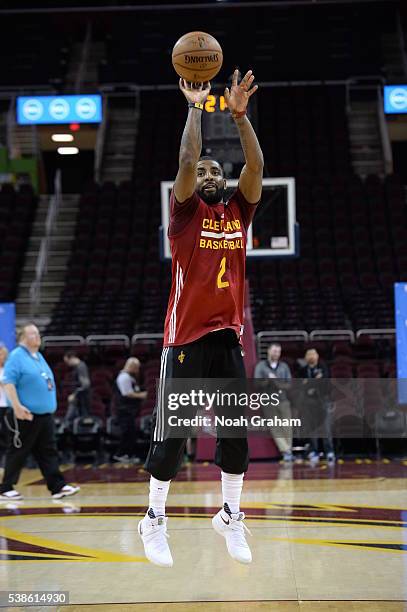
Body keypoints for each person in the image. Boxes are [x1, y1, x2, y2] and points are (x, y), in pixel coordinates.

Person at [138, 69, 263, 567]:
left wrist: (239, 117)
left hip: (225, 340)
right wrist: (196, 107)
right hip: (184, 340)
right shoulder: (184, 215)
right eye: (204, 173)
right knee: (173, 440)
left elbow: (256, 163)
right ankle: (153, 520)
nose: (210, 175)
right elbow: (189, 158)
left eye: (217, 172)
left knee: (236, 436)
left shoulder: (239, 212)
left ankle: (230, 515)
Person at [0, 324, 80, 501]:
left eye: (38, 333)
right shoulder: (16, 356)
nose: (38, 336)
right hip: (26, 415)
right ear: (22, 338)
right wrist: (17, 407)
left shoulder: (38, 356)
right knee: (18, 451)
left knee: (48, 452)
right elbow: (8, 382)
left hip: (44, 416)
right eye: (33, 334)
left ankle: (57, 487)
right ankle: (5, 488)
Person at [254, 343, 293, 462]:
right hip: (268, 401)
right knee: (275, 427)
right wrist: (267, 380)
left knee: (287, 426)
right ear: (269, 351)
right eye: (274, 351)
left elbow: (289, 384)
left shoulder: (284, 366)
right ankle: (286, 451)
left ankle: (288, 450)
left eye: (278, 352)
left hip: (283, 400)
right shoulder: (261, 366)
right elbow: (256, 384)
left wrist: (276, 381)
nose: (276, 354)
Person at [298, 348, 335, 464]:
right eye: (308, 354)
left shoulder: (323, 367)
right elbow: (301, 386)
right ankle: (314, 451)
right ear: (305, 358)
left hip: (323, 400)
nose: (311, 356)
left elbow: (324, 383)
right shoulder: (303, 370)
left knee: (326, 427)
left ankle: (329, 451)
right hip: (309, 402)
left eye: (313, 354)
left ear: (317, 356)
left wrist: (309, 382)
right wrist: (314, 381)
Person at [113, 357, 147, 463]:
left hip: (129, 411)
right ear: (131, 366)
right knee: (126, 433)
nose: (138, 370)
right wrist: (142, 395)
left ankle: (128, 454)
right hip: (124, 410)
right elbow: (127, 393)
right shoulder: (124, 377)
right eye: (137, 368)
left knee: (131, 433)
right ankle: (121, 454)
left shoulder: (129, 377)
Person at [63, 351, 91, 427]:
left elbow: (85, 385)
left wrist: (74, 395)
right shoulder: (79, 367)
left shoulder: (81, 367)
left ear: (71, 358)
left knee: (70, 419)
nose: (67, 364)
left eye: (67, 361)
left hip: (81, 398)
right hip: (80, 398)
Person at [0, 345, 10, 466]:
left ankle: (6, 463)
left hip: (7, 406)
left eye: (2, 354)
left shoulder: (8, 369)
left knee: (7, 435)